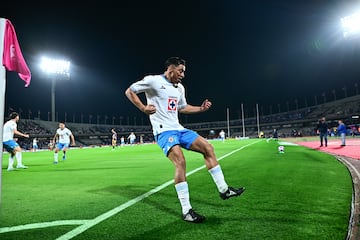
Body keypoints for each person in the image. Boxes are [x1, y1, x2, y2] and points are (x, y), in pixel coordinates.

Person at [125, 56, 245, 223]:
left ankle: (224, 190)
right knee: (180, 161)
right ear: (171, 69)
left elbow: (183, 108)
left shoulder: (179, 88)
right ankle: (187, 211)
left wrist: (201, 109)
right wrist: (143, 107)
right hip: (164, 131)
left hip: (178, 128)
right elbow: (129, 91)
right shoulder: (152, 81)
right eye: (180, 71)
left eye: (183, 72)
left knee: (208, 148)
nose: (183, 74)